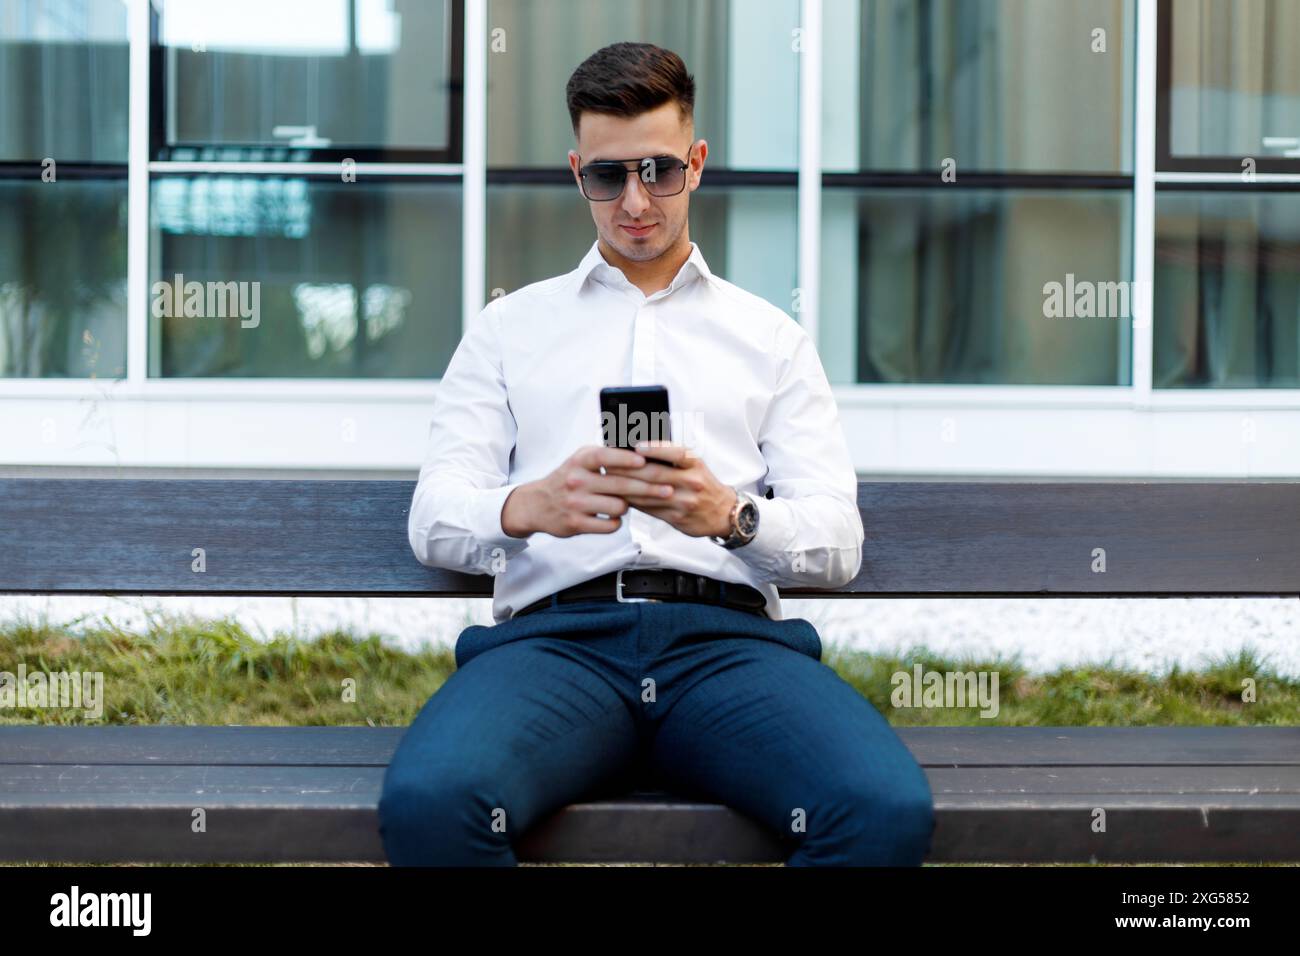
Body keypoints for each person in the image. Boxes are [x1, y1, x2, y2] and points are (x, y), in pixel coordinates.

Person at [378, 41, 935, 866]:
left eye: (660, 170)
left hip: (727, 646)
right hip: (556, 645)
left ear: (698, 163)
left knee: (882, 811)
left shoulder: (769, 339)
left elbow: (837, 539)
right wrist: (525, 508)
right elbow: (434, 517)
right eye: (609, 176)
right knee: (430, 806)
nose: (635, 200)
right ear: (578, 174)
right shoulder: (508, 331)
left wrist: (734, 517)